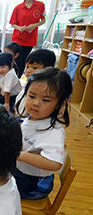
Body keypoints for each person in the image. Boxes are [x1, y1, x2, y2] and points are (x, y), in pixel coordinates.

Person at [13, 68, 72, 199]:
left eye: (46, 100)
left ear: (60, 103)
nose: (36, 103)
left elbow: (54, 164)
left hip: (34, 184)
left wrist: (21, 155)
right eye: (32, 96)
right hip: (21, 171)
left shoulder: (53, 133)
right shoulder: (35, 118)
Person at [9, 0, 46, 78]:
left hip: (30, 39)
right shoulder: (18, 8)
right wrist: (20, 28)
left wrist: (34, 25)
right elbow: (13, 23)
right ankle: (13, 79)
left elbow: (43, 20)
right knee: (17, 60)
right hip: (18, 38)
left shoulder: (40, 5)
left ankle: (16, 80)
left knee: (24, 61)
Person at [15, 48, 56, 117]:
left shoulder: (44, 89)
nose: (28, 70)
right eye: (27, 67)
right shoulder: (30, 83)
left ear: (48, 69)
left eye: (34, 68)